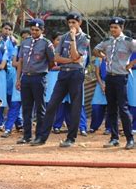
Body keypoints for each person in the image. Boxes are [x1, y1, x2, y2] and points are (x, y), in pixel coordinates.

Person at [34, 12, 90, 147]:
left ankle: (71, 138)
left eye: (74, 23)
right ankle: (42, 137)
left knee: (75, 107)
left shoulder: (84, 38)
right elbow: (56, 58)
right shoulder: (63, 37)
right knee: (52, 104)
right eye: (69, 22)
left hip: (76, 74)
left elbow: (77, 55)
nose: (71, 25)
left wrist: (72, 40)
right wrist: (72, 60)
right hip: (64, 73)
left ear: (79, 23)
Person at [94, 17, 136, 150]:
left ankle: (130, 139)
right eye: (111, 27)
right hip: (109, 77)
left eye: (115, 27)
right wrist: (102, 56)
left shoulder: (128, 42)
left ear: (121, 28)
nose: (113, 30)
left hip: (121, 77)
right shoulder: (107, 41)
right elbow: (95, 50)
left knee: (123, 108)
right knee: (111, 108)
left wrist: (131, 64)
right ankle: (114, 138)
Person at [15, 19, 55, 144]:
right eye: (32, 29)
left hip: (39, 77)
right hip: (26, 78)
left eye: (37, 30)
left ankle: (39, 136)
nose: (34, 32)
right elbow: (20, 61)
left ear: (42, 30)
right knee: (26, 108)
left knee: (40, 108)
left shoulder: (46, 44)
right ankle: (26, 135)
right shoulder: (25, 42)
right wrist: (18, 79)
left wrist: (43, 70)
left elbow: (52, 62)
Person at [2, 28, 30, 138]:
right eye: (22, 38)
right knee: (15, 104)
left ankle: (27, 130)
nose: (24, 40)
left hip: (31, 79)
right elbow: (14, 63)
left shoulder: (37, 48)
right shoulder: (17, 48)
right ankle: (8, 128)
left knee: (29, 107)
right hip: (19, 78)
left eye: (26, 37)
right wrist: (23, 63)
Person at [88, 57, 109, 134]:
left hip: (112, 83)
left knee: (111, 107)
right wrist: (102, 85)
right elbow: (97, 73)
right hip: (100, 84)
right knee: (96, 106)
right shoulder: (99, 59)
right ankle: (94, 126)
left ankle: (109, 128)